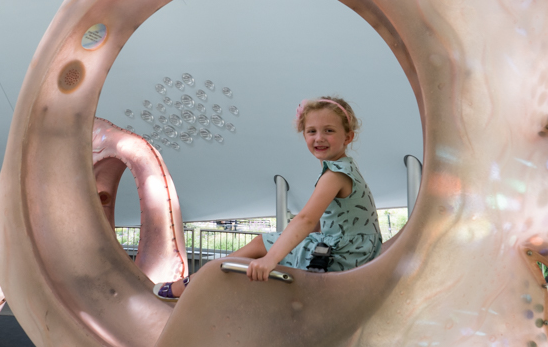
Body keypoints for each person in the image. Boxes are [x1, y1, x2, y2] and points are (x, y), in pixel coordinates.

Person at [154, 96, 382, 300]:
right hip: (356, 249)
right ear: (304, 135)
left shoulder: (335, 174)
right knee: (265, 242)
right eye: (312, 131)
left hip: (344, 255)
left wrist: (271, 259)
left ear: (348, 137)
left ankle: (198, 283)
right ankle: (201, 279)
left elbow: (306, 219)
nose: (319, 138)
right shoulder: (345, 167)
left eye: (329, 131)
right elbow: (332, 220)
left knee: (262, 245)